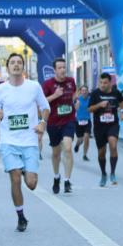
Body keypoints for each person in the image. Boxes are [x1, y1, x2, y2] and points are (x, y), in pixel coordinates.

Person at [0, 52, 50, 232]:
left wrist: (42, 122)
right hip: (8, 141)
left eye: (19, 62)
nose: (16, 65)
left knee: (31, 184)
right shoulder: (0, 90)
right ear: (7, 67)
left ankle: (25, 169)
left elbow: (45, 107)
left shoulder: (33, 87)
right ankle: (21, 216)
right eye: (12, 63)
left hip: (29, 141)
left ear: (23, 67)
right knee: (15, 178)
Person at [42, 57, 78, 194]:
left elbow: (74, 94)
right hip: (53, 122)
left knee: (68, 148)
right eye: (60, 68)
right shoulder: (48, 84)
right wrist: (55, 96)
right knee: (56, 152)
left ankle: (67, 180)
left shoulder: (71, 81)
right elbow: (42, 101)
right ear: (55, 70)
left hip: (68, 120)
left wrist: (76, 102)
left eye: (64, 67)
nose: (63, 70)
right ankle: (56, 177)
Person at [89, 72, 123, 187]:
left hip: (112, 124)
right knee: (101, 152)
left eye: (105, 83)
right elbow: (90, 109)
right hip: (99, 126)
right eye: (101, 82)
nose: (102, 85)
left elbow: (122, 103)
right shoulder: (95, 94)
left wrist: (122, 112)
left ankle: (113, 173)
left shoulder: (116, 92)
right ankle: (103, 173)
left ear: (110, 83)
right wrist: (99, 105)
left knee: (113, 145)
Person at [74, 85, 92, 161]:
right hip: (78, 122)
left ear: (88, 92)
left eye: (86, 90)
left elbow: (93, 108)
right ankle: (77, 144)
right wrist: (76, 104)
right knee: (80, 140)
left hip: (87, 121)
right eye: (83, 90)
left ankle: (85, 155)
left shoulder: (90, 99)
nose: (84, 92)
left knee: (86, 138)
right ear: (80, 91)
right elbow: (74, 109)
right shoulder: (77, 99)